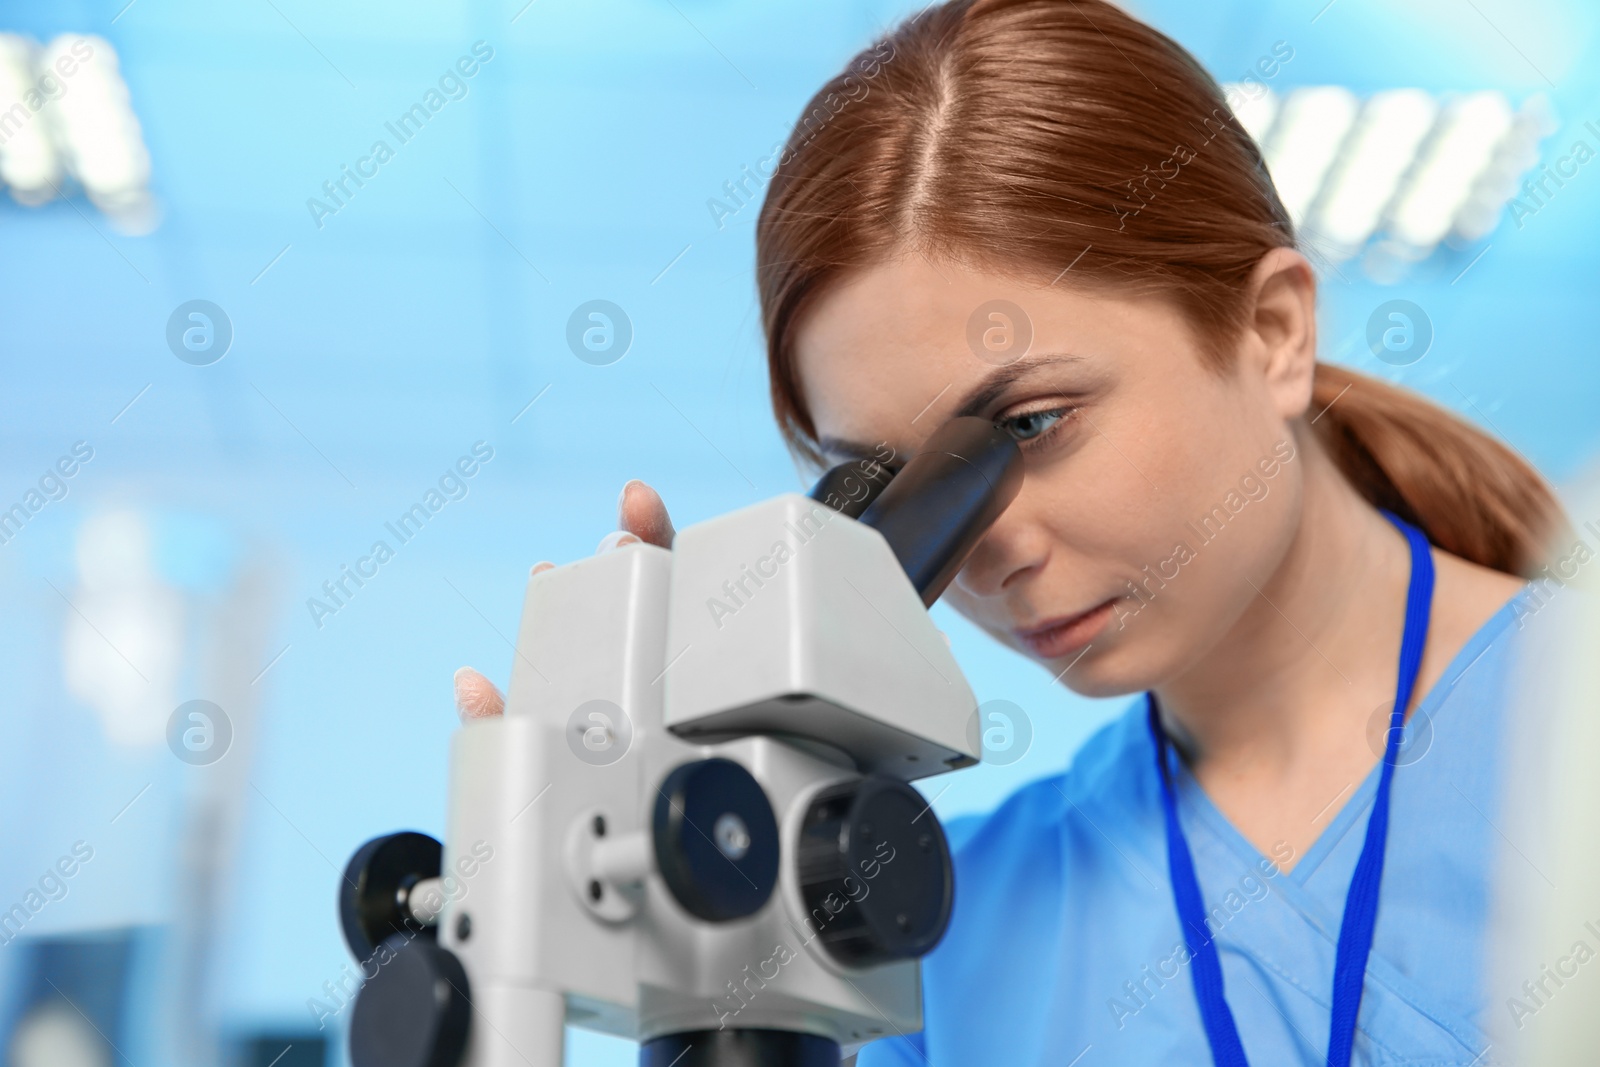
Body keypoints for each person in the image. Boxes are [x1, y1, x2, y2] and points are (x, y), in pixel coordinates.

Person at [455, 0, 1568, 1062]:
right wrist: (706, 934)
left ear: (1273, 331)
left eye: (1032, 423)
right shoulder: (936, 933)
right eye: (886, 481)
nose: (992, 550)